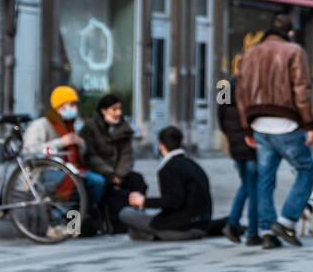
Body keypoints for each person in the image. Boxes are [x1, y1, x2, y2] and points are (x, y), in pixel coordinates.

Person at [236, 13, 313, 249]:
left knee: (265, 179)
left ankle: (265, 231)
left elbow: (241, 93)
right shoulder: (294, 51)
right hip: (287, 124)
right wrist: (309, 125)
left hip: (259, 125)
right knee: (306, 169)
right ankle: (287, 220)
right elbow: (301, 90)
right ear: (290, 32)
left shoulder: (250, 53)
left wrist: (246, 127)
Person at [22, 86, 106, 221]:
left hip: (70, 167)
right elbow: (31, 151)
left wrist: (80, 144)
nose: (74, 108)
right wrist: (61, 142)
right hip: (45, 170)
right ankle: (68, 221)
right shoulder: (41, 125)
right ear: (61, 105)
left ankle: (84, 215)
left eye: (75, 105)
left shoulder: (70, 125)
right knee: (78, 183)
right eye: (71, 104)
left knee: (98, 182)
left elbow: (79, 153)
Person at [119, 126, 213, 241]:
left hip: (182, 227)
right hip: (202, 224)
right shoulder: (193, 164)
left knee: (125, 213)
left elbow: (174, 201)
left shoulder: (169, 167)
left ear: (161, 146)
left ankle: (155, 234)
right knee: (135, 229)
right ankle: (151, 234)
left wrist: (144, 201)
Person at [80, 94, 147, 233]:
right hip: (100, 171)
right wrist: (110, 174)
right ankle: (115, 223)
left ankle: (137, 217)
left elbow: (127, 155)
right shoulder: (90, 128)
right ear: (104, 111)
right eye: (114, 109)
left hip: (119, 171)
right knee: (105, 186)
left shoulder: (124, 128)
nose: (119, 113)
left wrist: (120, 175)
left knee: (137, 180)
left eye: (120, 109)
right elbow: (91, 156)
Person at [217, 72, 260, 246]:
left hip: (234, 144)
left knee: (246, 185)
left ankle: (233, 224)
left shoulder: (223, 84)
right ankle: (252, 232)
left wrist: (230, 136)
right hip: (251, 143)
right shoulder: (253, 86)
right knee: (254, 188)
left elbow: (219, 117)